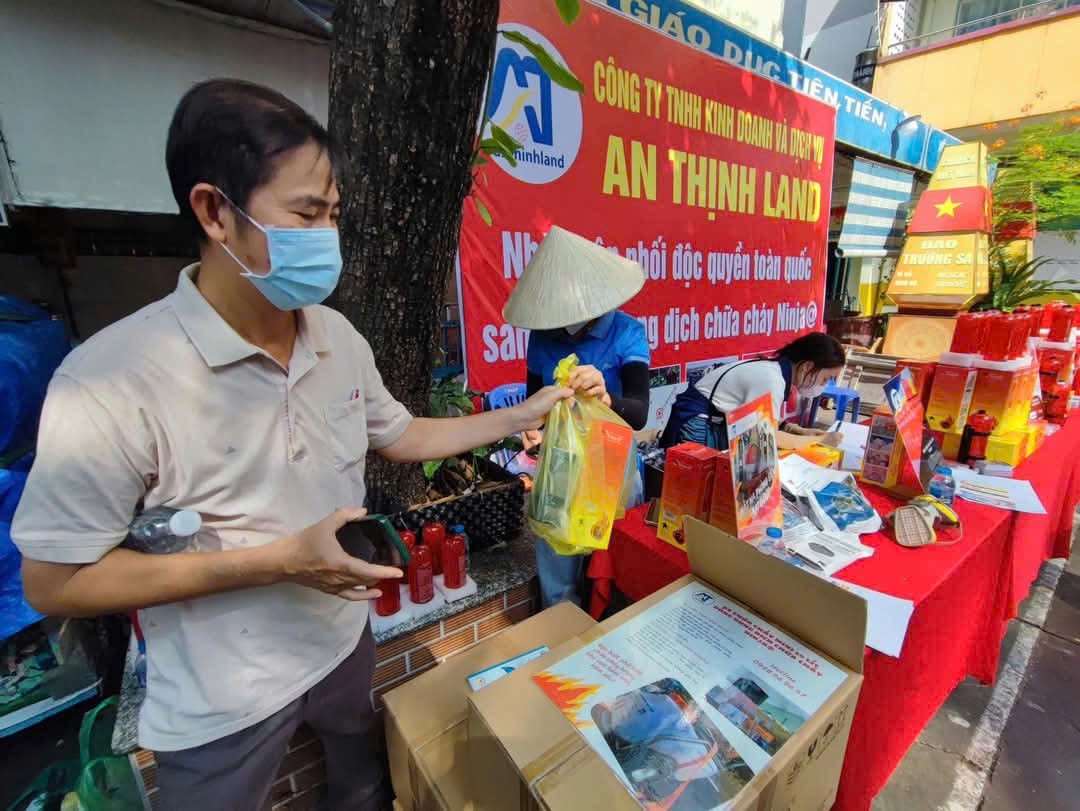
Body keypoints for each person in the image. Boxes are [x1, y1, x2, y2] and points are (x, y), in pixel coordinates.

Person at [11, 79, 569, 811]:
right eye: (306, 214)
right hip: (219, 702)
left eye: (333, 214)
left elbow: (402, 434)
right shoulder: (109, 381)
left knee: (363, 789)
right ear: (215, 211)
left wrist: (525, 412)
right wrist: (278, 562)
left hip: (343, 646)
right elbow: (55, 582)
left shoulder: (336, 337)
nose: (327, 238)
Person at [502, 226, 650, 608]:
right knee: (558, 577)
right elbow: (535, 402)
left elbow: (638, 413)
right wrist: (533, 428)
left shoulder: (627, 332)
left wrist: (606, 396)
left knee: (614, 571)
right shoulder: (543, 336)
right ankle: (564, 630)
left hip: (612, 467)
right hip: (560, 467)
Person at [660, 332, 846, 451]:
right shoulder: (772, 379)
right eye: (825, 378)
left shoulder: (773, 371)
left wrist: (798, 431)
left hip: (704, 420)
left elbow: (762, 420)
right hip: (697, 425)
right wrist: (822, 439)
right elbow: (768, 438)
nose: (824, 385)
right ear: (807, 367)